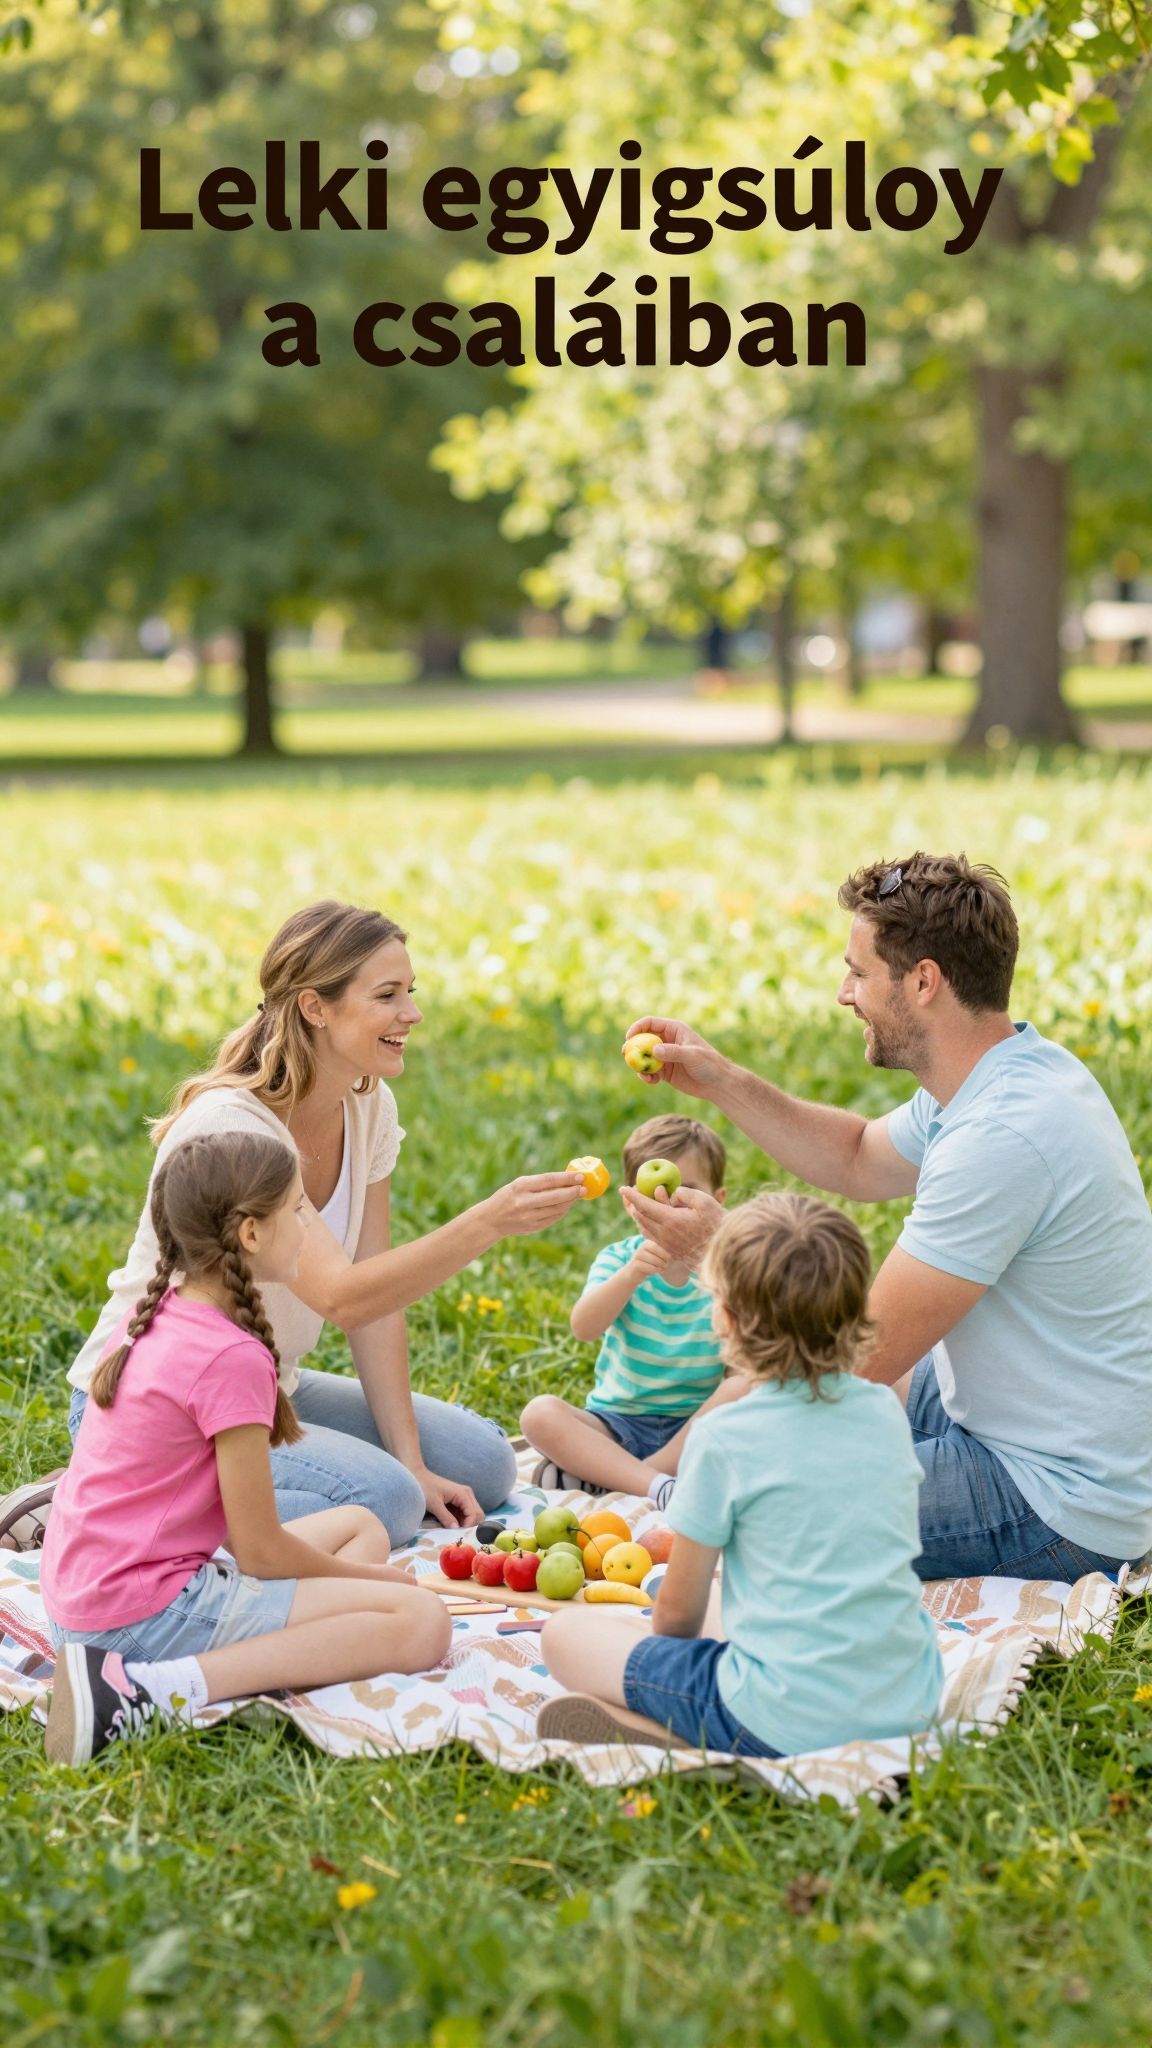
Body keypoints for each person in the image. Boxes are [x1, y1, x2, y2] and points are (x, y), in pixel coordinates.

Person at [614, 852, 1152, 1583]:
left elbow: (855, 1360)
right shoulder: (1007, 1072)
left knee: (748, 1512)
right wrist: (722, 1080)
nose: (845, 994)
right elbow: (858, 1157)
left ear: (923, 981)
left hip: (1058, 1496)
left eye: (858, 973)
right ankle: (677, 1477)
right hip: (1014, 1409)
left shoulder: (1002, 1136)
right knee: (762, 1421)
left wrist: (719, 1250)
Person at [49, 901, 586, 1548]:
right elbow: (339, 1296)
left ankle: (170, 1502)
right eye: (386, 995)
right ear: (314, 1007)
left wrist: (413, 1460)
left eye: (409, 992)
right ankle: (108, 1501)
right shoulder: (235, 1129)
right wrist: (489, 1222)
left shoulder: (368, 1106)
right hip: (157, 1408)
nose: (411, 1014)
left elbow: (374, 1301)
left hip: (263, 1385)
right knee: (387, 1503)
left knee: (484, 1464)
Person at [42, 1132, 452, 1767]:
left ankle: (279, 1640)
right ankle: (151, 1693)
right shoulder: (232, 1357)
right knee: (423, 1621)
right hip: (135, 1622)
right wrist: (371, 1582)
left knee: (362, 1525)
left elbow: (243, 1540)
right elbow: (259, 1551)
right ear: (252, 1234)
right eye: (297, 1209)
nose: (308, 1224)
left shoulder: (159, 1311)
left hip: (84, 1600)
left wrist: (352, 1581)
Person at [538, 1192, 944, 1755]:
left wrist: (653, 1650)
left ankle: (679, 1731)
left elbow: (676, 1617)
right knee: (728, 1602)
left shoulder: (723, 1437)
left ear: (725, 1319)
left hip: (778, 1717)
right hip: (909, 1701)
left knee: (566, 1634)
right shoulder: (882, 1409)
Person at [521, 1115, 732, 1499]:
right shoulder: (619, 1259)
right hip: (618, 1423)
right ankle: (657, 1482)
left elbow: (744, 1359)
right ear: (630, 1203)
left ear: (716, 1202)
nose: (668, 1202)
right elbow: (584, 1328)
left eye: (686, 1190)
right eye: (653, 1193)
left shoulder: (724, 1269)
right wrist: (630, 1276)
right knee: (539, 1414)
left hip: (695, 1425)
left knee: (745, 1391)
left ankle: (624, 1478)